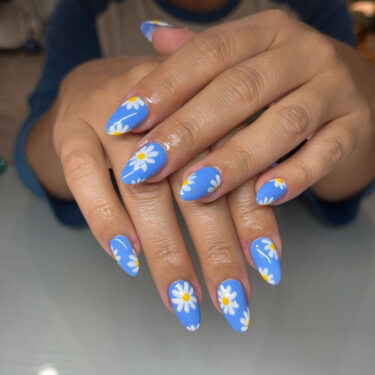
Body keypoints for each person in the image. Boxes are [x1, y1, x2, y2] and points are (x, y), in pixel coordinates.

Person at [16, 0, 375, 333]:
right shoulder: (87, 10)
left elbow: (342, 192)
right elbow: (31, 166)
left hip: (309, 301)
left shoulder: (315, 7)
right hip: (101, 308)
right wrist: (70, 101)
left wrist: (359, 92)